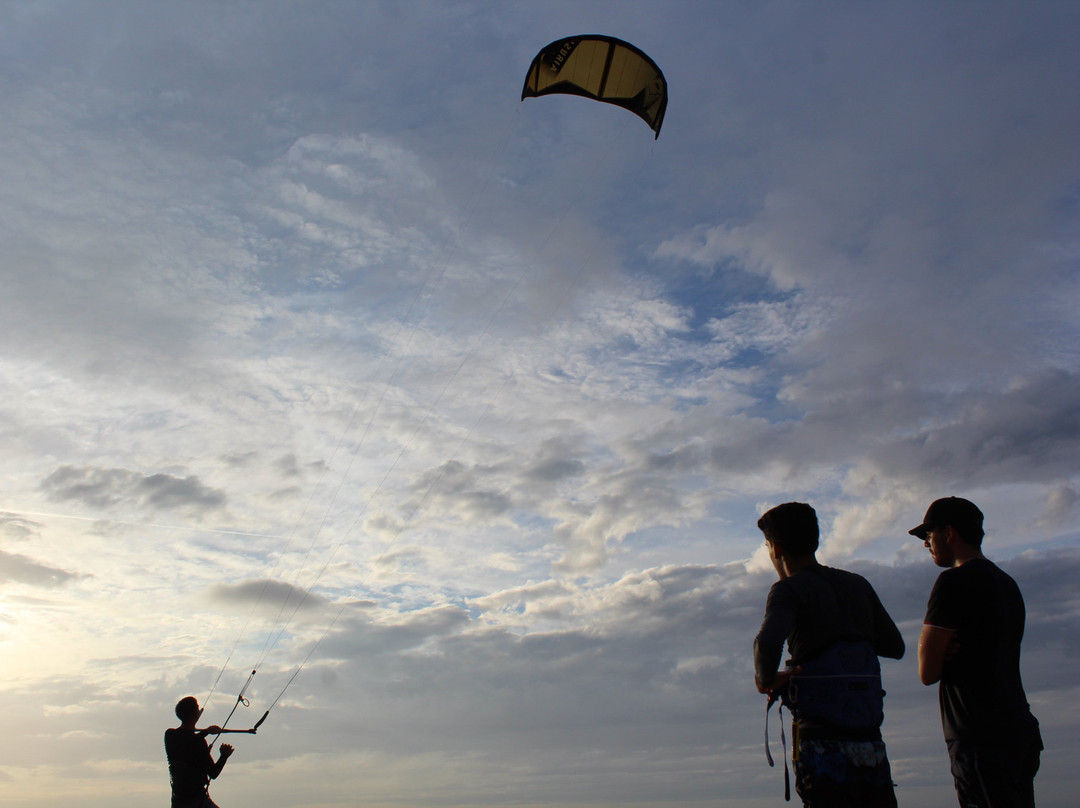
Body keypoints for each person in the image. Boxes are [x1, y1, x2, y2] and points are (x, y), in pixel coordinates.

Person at [754, 502, 905, 808]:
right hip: (869, 740)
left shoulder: (788, 589)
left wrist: (767, 679)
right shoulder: (857, 584)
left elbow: (767, 644)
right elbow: (895, 646)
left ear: (777, 548)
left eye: (768, 546)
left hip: (821, 742)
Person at [911, 496, 1042, 808]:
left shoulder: (952, 582)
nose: (927, 544)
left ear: (949, 533)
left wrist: (938, 650)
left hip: (978, 733)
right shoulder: (1007, 583)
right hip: (1019, 726)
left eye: (928, 535)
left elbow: (927, 672)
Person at [164, 696, 234, 808]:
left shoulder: (169, 735)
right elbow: (213, 773)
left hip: (179, 800)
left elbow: (188, 745)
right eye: (197, 708)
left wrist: (206, 733)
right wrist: (224, 755)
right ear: (195, 715)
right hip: (196, 800)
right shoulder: (198, 742)